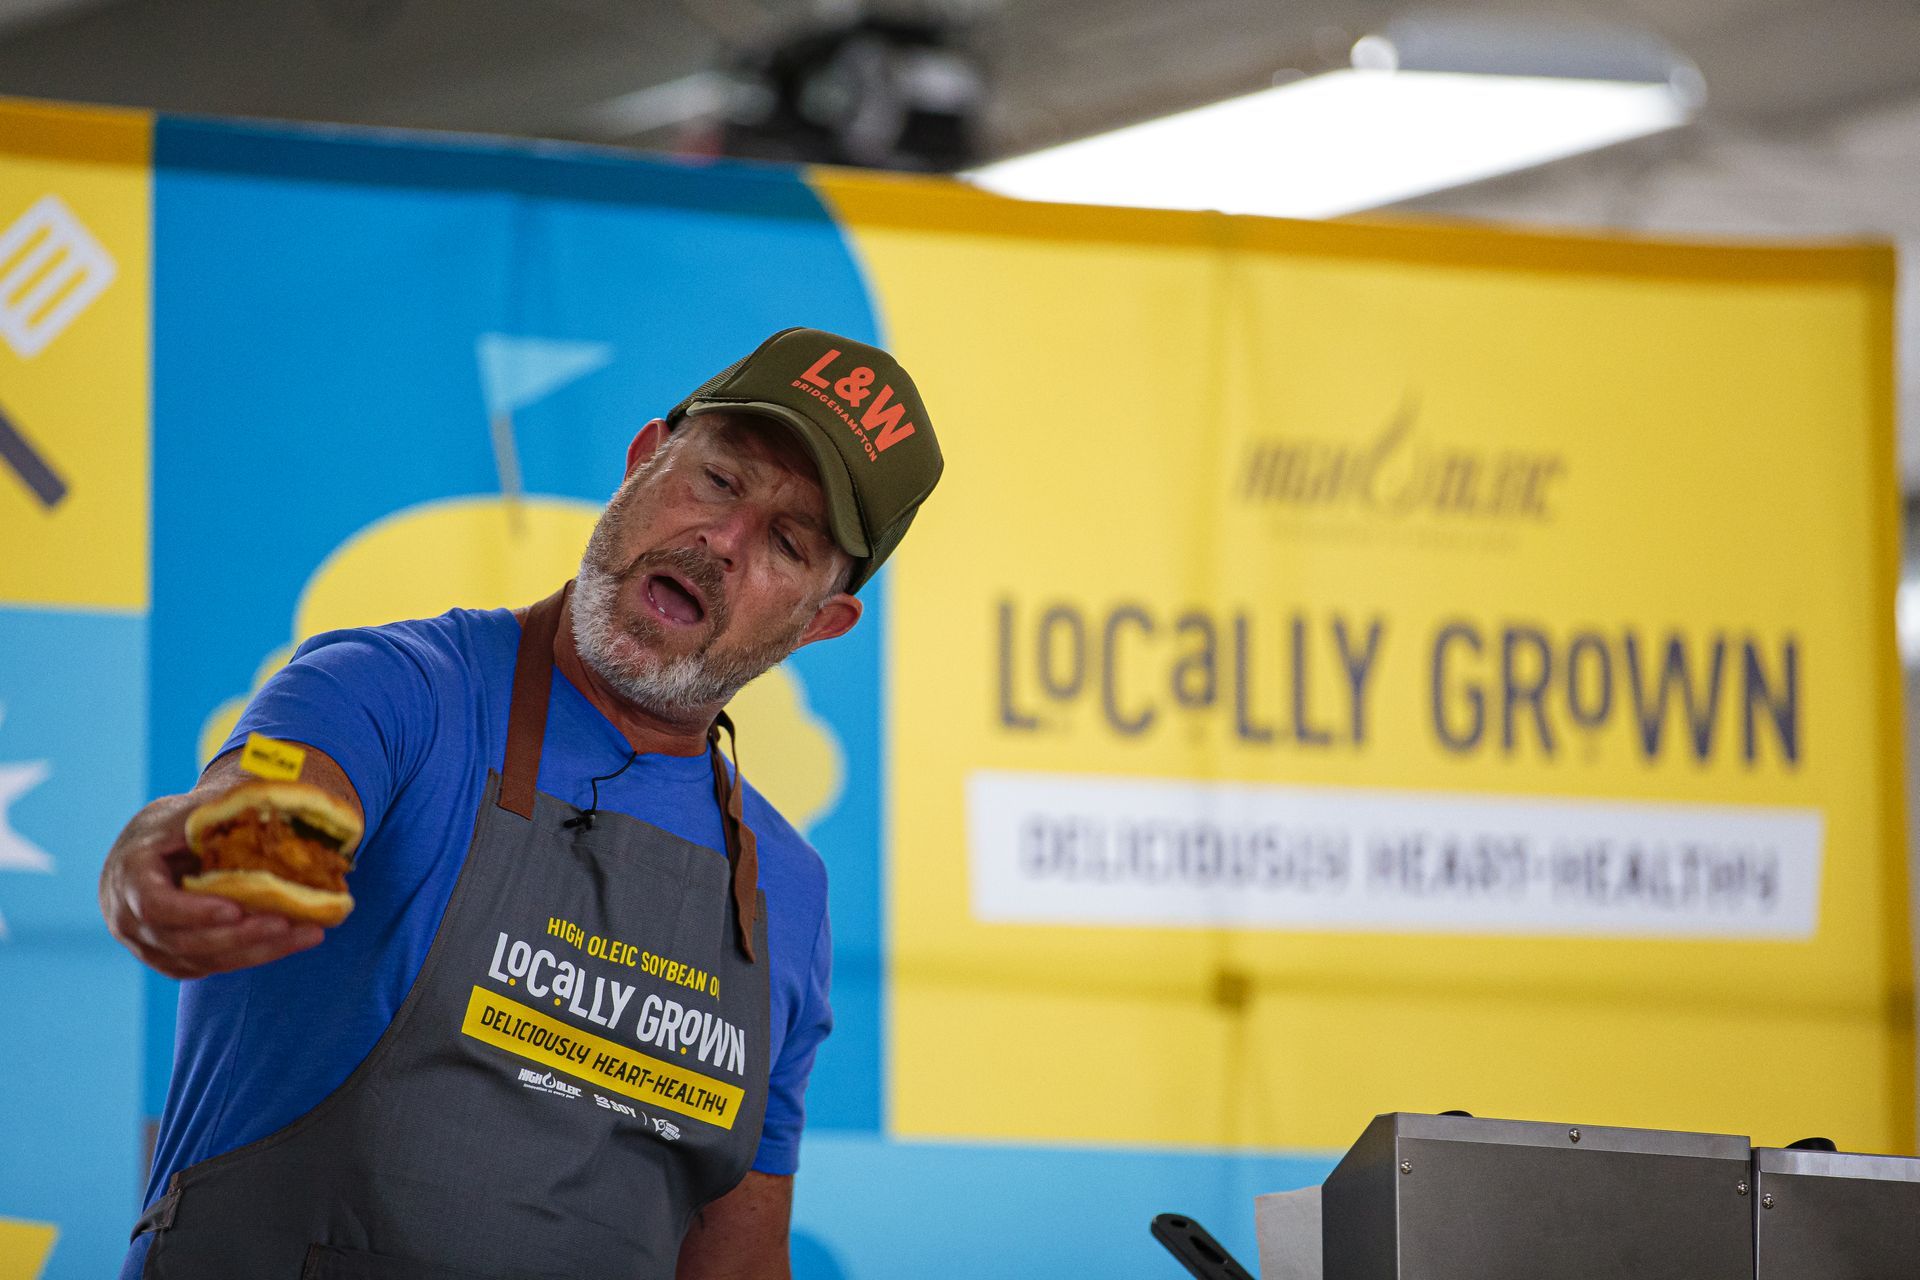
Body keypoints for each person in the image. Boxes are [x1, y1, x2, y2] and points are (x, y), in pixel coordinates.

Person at [100, 328, 943, 1279]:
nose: (723, 542)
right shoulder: (390, 690)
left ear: (820, 622)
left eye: (787, 544)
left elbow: (739, 1264)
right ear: (644, 460)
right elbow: (266, 803)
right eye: (718, 480)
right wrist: (170, 847)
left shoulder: (786, 894)